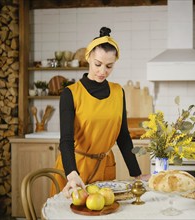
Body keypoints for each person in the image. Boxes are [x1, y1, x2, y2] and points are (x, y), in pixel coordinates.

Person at [52, 27, 143, 198]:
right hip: (75, 170)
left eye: (109, 66)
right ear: (88, 58)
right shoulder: (70, 93)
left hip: (105, 168)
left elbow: (123, 136)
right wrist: (71, 173)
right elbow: (65, 140)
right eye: (98, 64)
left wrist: (137, 174)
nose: (103, 71)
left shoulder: (118, 92)